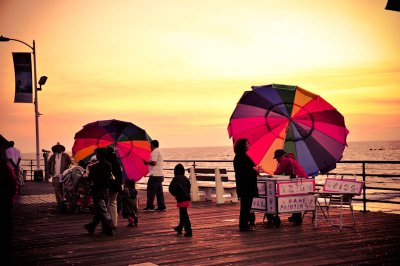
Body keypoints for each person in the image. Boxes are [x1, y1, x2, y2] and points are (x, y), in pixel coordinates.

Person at [273, 149, 308, 225]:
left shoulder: (284, 160)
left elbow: (278, 172)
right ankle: (296, 216)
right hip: (302, 179)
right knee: (296, 197)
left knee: (294, 197)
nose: (276, 160)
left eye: (276, 158)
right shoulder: (289, 159)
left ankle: (296, 216)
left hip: (298, 180)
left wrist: (274, 173)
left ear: (280, 157)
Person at [84, 147, 114, 236]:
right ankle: (92, 226)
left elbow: (90, 179)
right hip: (106, 190)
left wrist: (90, 169)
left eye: (96, 154)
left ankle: (109, 229)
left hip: (97, 191)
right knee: (100, 210)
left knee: (103, 211)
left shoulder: (95, 167)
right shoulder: (109, 165)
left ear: (98, 155)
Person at [233, 138, 259, 232]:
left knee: (245, 206)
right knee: (246, 206)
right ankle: (244, 225)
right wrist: (255, 170)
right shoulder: (242, 157)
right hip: (246, 186)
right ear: (243, 146)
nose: (249, 145)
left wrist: (253, 169)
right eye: (247, 143)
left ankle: (244, 224)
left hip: (244, 186)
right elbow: (246, 171)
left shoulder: (239, 156)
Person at [0, 157, 18, 264]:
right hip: (5, 202)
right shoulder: (6, 168)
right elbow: (13, 184)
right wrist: (11, 200)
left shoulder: (6, 169)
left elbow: (13, 184)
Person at [47, 142, 72, 212]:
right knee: (57, 190)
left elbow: (70, 163)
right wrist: (48, 173)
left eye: (60, 147)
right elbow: (48, 165)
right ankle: (60, 203)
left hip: (64, 176)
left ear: (62, 148)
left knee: (64, 190)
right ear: (55, 149)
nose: (58, 149)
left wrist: (68, 172)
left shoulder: (66, 156)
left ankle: (62, 203)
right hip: (55, 176)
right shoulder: (52, 156)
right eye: (57, 148)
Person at [142, 140, 166, 211]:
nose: (150, 147)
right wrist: (148, 164)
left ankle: (150, 206)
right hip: (160, 175)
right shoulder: (159, 151)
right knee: (159, 192)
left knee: (150, 191)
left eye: (150, 145)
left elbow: (154, 162)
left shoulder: (155, 152)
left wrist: (146, 162)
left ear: (152, 145)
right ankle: (161, 206)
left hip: (155, 175)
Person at [169, 163, 192, 237]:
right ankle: (180, 227)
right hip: (187, 198)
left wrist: (176, 195)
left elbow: (171, 188)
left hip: (181, 199)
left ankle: (188, 230)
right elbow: (189, 187)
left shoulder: (175, 179)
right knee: (183, 213)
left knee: (184, 214)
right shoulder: (186, 178)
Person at [105, 147, 122, 231]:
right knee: (113, 203)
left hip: (109, 185)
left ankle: (110, 222)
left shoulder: (107, 163)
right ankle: (114, 223)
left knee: (108, 203)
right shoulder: (117, 163)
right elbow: (120, 176)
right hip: (117, 185)